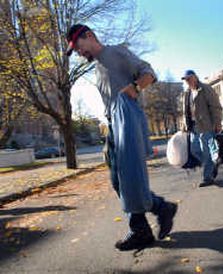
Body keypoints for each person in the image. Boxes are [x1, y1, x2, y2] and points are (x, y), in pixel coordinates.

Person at [66, 24, 177, 251]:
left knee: (128, 180)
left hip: (126, 124)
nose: (78, 53)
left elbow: (149, 72)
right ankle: (154, 215)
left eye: (78, 47)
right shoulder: (97, 66)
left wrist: (136, 86)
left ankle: (145, 225)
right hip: (113, 128)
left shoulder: (115, 52)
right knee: (118, 182)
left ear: (89, 36)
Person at [181, 70, 223, 187]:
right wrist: (185, 124)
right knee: (194, 150)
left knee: (205, 151)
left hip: (205, 125)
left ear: (195, 77)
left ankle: (208, 177)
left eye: (189, 78)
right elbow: (186, 111)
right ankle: (212, 165)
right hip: (193, 126)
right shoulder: (187, 93)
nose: (187, 81)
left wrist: (218, 123)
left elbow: (216, 107)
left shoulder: (205, 89)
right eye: (185, 80)